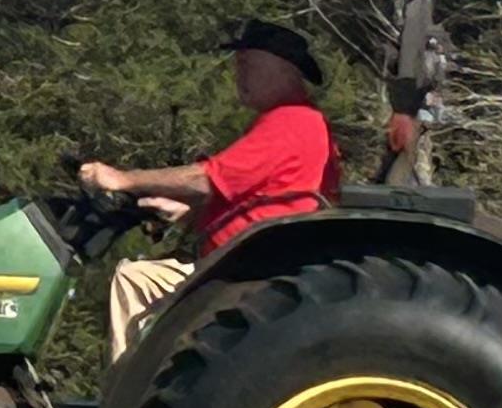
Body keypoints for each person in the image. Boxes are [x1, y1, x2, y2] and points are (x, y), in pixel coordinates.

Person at [78, 19, 342, 360]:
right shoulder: (294, 122)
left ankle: (129, 400)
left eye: (247, 64)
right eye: (237, 65)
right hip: (244, 260)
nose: (239, 75)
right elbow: (250, 191)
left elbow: (207, 178)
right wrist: (187, 210)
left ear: (284, 68)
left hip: (244, 269)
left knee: (136, 279)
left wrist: (121, 179)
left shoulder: (292, 121)